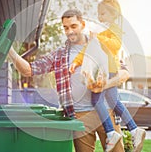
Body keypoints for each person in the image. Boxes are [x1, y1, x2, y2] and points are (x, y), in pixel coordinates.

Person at [9, 8, 127, 152]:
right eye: (66, 27)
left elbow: (124, 74)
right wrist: (10, 51)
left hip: (107, 111)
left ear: (82, 24)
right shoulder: (59, 55)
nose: (70, 31)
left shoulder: (102, 44)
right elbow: (29, 69)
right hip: (79, 115)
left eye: (73, 26)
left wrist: (105, 85)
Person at [69, 0, 146, 152]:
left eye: (103, 14)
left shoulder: (115, 30)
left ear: (113, 14)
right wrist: (77, 62)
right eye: (99, 14)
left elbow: (115, 46)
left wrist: (97, 37)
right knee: (113, 100)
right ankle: (134, 129)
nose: (100, 17)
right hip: (105, 69)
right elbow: (87, 49)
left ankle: (111, 132)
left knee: (97, 100)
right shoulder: (103, 31)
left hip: (108, 69)